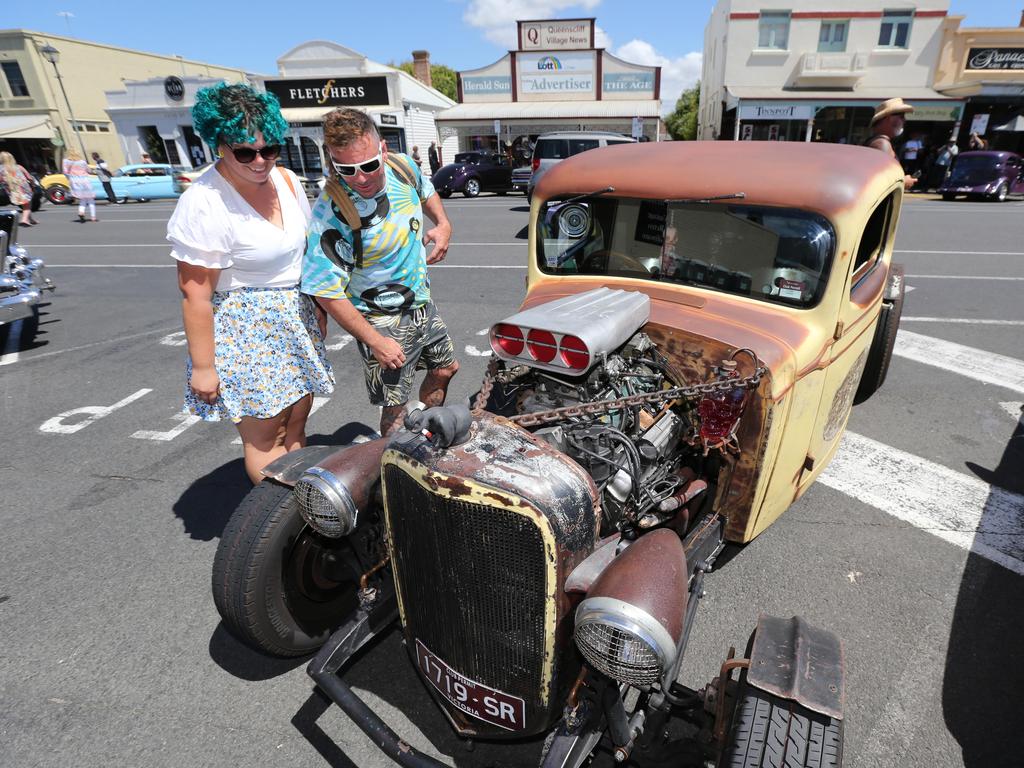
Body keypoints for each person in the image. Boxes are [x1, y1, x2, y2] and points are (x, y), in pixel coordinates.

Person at [167, 83, 334, 483]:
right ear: (219, 145)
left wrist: (317, 306)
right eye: (245, 151)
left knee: (296, 423)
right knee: (266, 438)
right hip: (246, 331)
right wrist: (204, 368)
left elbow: (308, 251)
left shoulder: (289, 181)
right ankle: (273, 526)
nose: (260, 161)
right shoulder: (204, 200)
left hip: (295, 318)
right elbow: (195, 293)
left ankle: (301, 513)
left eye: (270, 148)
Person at [302, 107, 457, 437]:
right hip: (380, 320)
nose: (361, 178)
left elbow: (426, 192)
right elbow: (324, 289)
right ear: (332, 161)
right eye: (346, 169)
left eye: (369, 165)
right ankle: (395, 471)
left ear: (383, 150)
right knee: (396, 407)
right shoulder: (331, 211)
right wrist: (375, 341)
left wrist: (443, 225)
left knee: (445, 369)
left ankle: (429, 435)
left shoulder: (403, 167)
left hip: (421, 304)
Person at [865, 98, 916, 190]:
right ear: (889, 118)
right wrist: (904, 181)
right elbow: (882, 180)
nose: (904, 120)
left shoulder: (879, 141)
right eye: (901, 116)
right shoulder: (882, 144)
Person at [0, 151, 38, 226]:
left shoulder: (1, 170)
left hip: (12, 190)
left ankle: (30, 219)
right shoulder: (19, 167)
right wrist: (33, 185)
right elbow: (29, 178)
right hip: (24, 189)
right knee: (27, 205)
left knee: (25, 204)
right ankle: (24, 220)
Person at [63, 149, 98, 222]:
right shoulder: (82, 162)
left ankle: (81, 211)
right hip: (84, 181)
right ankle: (93, 216)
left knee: (83, 198)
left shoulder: (66, 161)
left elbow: (65, 172)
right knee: (90, 199)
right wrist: (91, 171)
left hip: (74, 181)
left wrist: (70, 178)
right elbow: (88, 170)